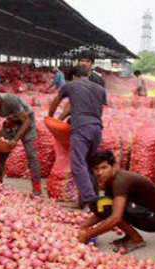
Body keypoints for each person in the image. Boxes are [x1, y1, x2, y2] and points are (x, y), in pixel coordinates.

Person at [78, 150, 155, 252]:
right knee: (98, 204)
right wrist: (82, 227)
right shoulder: (109, 181)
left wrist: (88, 234)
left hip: (154, 219)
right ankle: (129, 235)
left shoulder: (121, 180)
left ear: (113, 166)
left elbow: (115, 217)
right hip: (141, 211)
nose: (100, 172)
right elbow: (104, 211)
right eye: (96, 169)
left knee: (109, 208)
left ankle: (136, 239)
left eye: (104, 167)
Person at [48, 65, 107, 209]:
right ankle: (93, 199)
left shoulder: (70, 86)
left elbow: (56, 101)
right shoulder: (100, 88)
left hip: (81, 128)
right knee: (89, 163)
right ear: (87, 74)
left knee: (78, 164)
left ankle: (89, 200)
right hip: (97, 128)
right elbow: (98, 105)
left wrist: (50, 117)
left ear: (73, 76)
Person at [0, 86, 42, 196]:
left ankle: (37, 188)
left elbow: (26, 121)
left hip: (27, 122)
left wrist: (15, 140)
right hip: (12, 122)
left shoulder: (10, 101)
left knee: (31, 155)